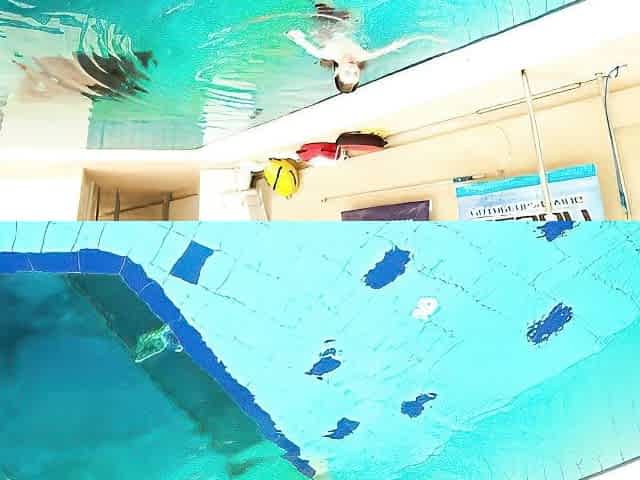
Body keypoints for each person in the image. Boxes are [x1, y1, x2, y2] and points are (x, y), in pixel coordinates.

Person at [286, 3, 444, 94]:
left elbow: (298, 39)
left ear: (337, 72)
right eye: (355, 73)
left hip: (323, 21)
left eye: (347, 73)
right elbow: (398, 44)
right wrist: (427, 37)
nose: (352, 69)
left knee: (324, 6)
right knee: (354, 14)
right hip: (344, 20)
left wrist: (295, 35)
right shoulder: (364, 55)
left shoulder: (324, 53)